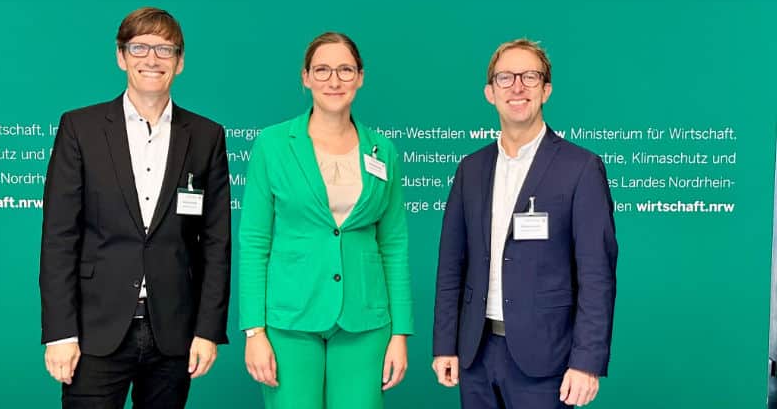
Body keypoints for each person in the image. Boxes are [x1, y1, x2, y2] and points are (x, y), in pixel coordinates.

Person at [39, 7, 231, 408]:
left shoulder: (206, 136)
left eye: (165, 49)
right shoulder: (81, 128)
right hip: (94, 332)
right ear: (121, 56)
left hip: (173, 332)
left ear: (179, 63)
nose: (152, 59)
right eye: (140, 47)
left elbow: (216, 243)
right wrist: (60, 333)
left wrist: (208, 330)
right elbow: (59, 237)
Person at [432, 39, 618, 408]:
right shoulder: (471, 169)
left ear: (546, 90)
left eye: (529, 77)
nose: (517, 87)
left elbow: (597, 274)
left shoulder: (580, 168)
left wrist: (587, 362)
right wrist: (445, 345)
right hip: (475, 354)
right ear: (490, 93)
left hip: (547, 358)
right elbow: (452, 266)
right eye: (505, 78)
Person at [239, 32, 413, 409]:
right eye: (322, 70)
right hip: (289, 320)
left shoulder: (383, 150)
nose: (334, 81)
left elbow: (394, 245)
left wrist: (400, 332)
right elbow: (254, 241)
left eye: (345, 70)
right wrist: (254, 330)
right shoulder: (271, 145)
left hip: (365, 320)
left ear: (360, 77)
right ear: (305, 78)